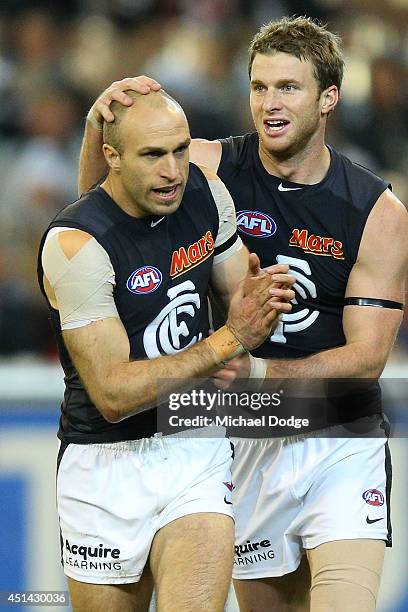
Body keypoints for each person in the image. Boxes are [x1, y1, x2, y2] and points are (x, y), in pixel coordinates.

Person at [77, 16, 408, 612]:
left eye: (288, 87)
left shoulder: (376, 210)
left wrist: (258, 376)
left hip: (339, 435)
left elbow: (368, 357)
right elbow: (96, 224)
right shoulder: (203, 167)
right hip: (245, 437)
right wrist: (94, 130)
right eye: (259, 87)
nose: (269, 103)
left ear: (328, 98)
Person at [38, 89, 295, 612]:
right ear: (111, 156)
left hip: (192, 443)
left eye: (180, 149)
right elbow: (112, 393)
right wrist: (226, 343)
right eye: (153, 155)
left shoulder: (205, 192)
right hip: (103, 461)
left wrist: (262, 306)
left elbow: (238, 305)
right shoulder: (74, 245)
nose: (173, 170)